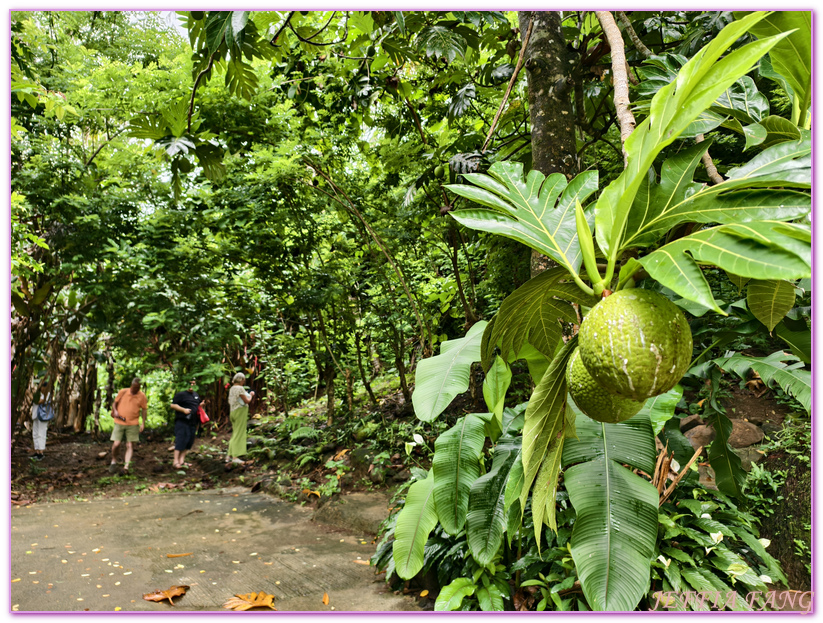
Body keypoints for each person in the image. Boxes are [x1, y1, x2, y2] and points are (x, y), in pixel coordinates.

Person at [110, 377, 148, 473]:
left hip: (133, 423)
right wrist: (115, 410)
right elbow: (114, 403)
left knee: (130, 445)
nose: (136, 390)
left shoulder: (142, 396)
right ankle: (114, 460)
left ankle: (126, 466)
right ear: (132, 385)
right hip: (120, 421)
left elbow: (144, 409)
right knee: (116, 443)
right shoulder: (123, 392)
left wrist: (143, 422)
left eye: (138, 388)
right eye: (135, 387)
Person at [170, 378, 205, 469]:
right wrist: (183, 410)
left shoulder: (196, 395)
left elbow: (196, 406)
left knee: (189, 441)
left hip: (193, 422)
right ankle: (175, 461)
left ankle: (182, 461)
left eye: (194, 384)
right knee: (181, 440)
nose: (192, 386)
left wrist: (200, 406)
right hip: (182, 421)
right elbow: (172, 405)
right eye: (190, 383)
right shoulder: (181, 394)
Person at [227, 372, 254, 464]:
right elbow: (247, 400)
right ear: (241, 380)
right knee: (239, 433)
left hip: (232, 412)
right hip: (240, 412)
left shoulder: (232, 388)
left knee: (235, 433)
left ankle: (229, 455)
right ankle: (235, 457)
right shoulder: (240, 388)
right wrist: (251, 395)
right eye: (243, 380)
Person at [30, 378, 54, 461]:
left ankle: (41, 452)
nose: (42, 388)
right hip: (36, 415)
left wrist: (29, 395)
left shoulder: (47, 395)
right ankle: (37, 451)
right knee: (35, 433)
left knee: (41, 433)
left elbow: (39, 401)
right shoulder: (38, 394)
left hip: (43, 417)